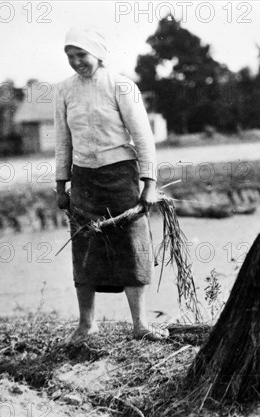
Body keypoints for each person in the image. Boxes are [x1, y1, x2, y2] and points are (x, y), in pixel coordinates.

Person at [54, 26, 166, 343]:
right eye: (70, 57)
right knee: (85, 248)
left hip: (121, 177)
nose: (76, 62)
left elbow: (144, 140)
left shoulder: (122, 87)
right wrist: (61, 186)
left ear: (98, 54)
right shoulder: (63, 91)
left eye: (81, 55)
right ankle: (86, 324)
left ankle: (140, 324)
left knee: (130, 247)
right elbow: (63, 143)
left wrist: (150, 184)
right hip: (84, 179)